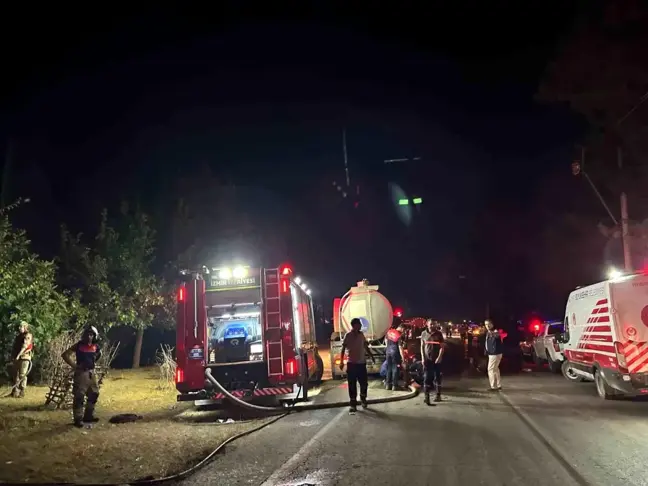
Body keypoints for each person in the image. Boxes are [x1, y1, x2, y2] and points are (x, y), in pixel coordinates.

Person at [62, 326, 102, 427]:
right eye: (88, 334)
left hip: (91, 373)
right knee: (79, 396)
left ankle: (88, 416)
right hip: (81, 374)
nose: (89, 336)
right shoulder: (79, 345)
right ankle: (78, 419)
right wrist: (75, 366)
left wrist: (93, 363)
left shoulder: (95, 346)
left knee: (94, 394)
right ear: (84, 335)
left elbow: (99, 354)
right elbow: (65, 355)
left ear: (94, 336)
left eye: (91, 334)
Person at [339, 318, 375, 413]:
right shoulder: (348, 335)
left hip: (361, 364)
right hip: (351, 364)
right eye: (358, 324)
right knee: (352, 385)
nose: (360, 326)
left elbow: (365, 346)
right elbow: (343, 349)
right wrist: (341, 362)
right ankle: (353, 404)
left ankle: (363, 399)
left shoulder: (361, 335)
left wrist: (371, 356)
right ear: (354, 325)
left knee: (364, 384)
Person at [420, 318, 445, 405]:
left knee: (437, 377)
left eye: (434, 324)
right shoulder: (423, 334)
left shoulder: (439, 334)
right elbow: (422, 347)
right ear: (427, 324)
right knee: (426, 378)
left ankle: (438, 395)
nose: (432, 326)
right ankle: (426, 397)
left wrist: (439, 357)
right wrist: (423, 358)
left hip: (437, 360)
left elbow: (442, 347)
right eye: (431, 324)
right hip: (427, 360)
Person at [11, 321, 33, 398]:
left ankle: (22, 391)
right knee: (15, 374)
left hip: (24, 357)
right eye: (19, 327)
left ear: (25, 327)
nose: (20, 328)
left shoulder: (27, 335)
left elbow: (24, 346)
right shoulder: (18, 336)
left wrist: (18, 355)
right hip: (17, 357)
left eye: (21, 327)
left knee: (22, 374)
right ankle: (15, 391)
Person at [385, 320, 404, 391]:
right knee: (395, 369)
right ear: (402, 328)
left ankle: (388, 385)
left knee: (389, 368)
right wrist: (403, 358)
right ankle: (394, 386)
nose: (403, 332)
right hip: (395, 353)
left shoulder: (389, 332)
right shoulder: (399, 334)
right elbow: (400, 347)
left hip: (388, 352)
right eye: (403, 330)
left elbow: (386, 342)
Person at [484, 319, 503, 391]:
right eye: (486, 324)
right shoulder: (488, 332)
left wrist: (493, 333)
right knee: (495, 369)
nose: (487, 326)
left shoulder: (494, 332)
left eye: (489, 324)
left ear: (492, 324)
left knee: (491, 369)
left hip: (494, 353)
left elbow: (497, 335)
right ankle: (498, 385)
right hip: (494, 353)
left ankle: (493, 386)